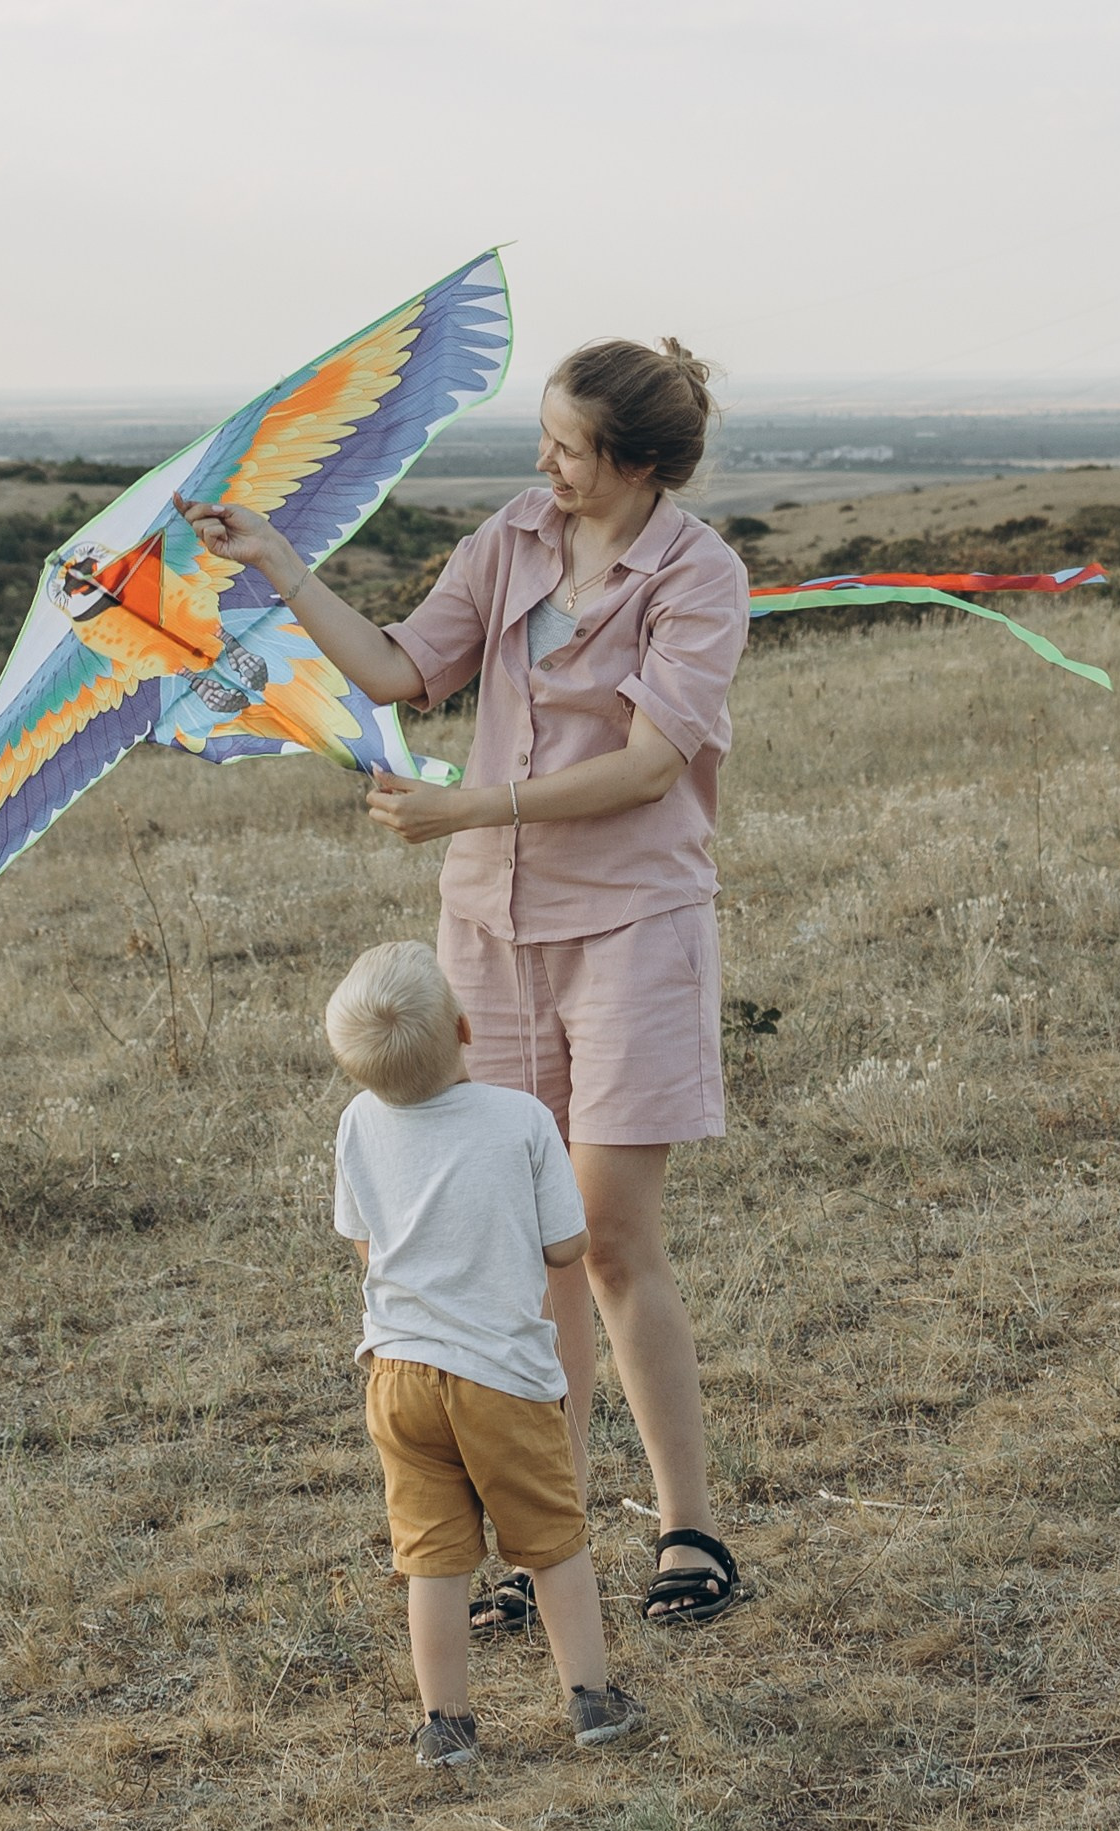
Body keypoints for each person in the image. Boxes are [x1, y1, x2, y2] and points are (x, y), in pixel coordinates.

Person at [184, 332, 750, 1631]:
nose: (545, 466)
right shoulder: (513, 537)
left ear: (639, 464)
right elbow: (401, 668)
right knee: (530, 1246)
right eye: (544, 439)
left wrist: (470, 806)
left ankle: (690, 1530)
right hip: (488, 928)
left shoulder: (698, 573)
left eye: (568, 448)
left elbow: (650, 765)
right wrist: (278, 562)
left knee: (611, 1241)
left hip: (633, 924)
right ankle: (550, 1544)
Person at [325, 940, 646, 1770]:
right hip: (502, 1378)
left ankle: (446, 1724)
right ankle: (592, 1698)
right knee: (553, 1540)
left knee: (432, 1557)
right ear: (467, 1028)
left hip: (397, 1376)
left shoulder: (357, 1122)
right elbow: (568, 1246)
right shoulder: (521, 1119)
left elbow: (365, 1244)